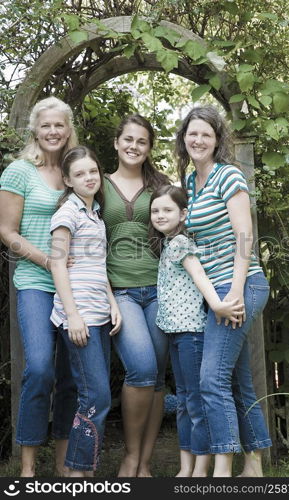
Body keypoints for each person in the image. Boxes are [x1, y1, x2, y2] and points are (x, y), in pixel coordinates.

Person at [175, 105, 272, 477]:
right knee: (236, 379)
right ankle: (254, 466)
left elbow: (244, 236)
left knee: (210, 379)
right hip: (215, 290)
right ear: (184, 138)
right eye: (192, 133)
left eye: (206, 134)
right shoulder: (188, 183)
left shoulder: (228, 176)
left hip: (240, 285)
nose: (198, 140)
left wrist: (232, 292)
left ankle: (222, 471)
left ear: (217, 141)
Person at [0, 96, 78, 477]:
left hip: (75, 285)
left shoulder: (73, 171)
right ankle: (27, 467)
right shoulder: (19, 171)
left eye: (59, 125)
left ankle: (64, 465)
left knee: (70, 375)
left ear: (68, 129)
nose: (52, 132)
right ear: (35, 129)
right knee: (41, 369)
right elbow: (6, 231)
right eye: (45, 125)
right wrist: (48, 261)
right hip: (35, 280)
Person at [149, 184, 244, 477]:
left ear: (183, 214)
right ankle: (185, 467)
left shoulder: (179, 243)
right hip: (176, 333)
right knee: (183, 401)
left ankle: (201, 468)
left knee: (193, 400)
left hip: (191, 332)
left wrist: (217, 305)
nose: (160, 215)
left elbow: (199, 276)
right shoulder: (167, 243)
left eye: (167, 210)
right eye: (155, 210)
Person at [103, 114, 170, 477]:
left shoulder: (160, 185)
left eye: (141, 141)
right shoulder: (98, 184)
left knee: (158, 377)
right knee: (141, 368)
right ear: (116, 142)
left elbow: (179, 225)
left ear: (148, 148)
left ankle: (144, 463)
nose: (133, 146)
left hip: (161, 290)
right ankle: (130, 456)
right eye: (128, 139)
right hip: (121, 292)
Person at [49, 146, 121, 476]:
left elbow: (98, 266)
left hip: (100, 314)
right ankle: (78, 473)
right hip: (80, 319)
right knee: (96, 396)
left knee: (95, 394)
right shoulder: (67, 213)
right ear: (67, 180)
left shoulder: (95, 214)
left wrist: (113, 303)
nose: (88, 178)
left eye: (92, 171)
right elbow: (58, 266)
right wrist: (73, 315)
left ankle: (85, 470)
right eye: (79, 174)